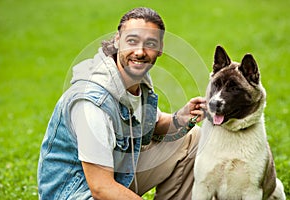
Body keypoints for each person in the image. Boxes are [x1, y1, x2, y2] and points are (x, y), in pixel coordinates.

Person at [37, 7, 206, 200]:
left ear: (160, 49)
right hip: (78, 194)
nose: (140, 52)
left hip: (115, 177)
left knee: (191, 139)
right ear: (118, 40)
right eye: (132, 41)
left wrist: (180, 118)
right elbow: (101, 188)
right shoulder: (93, 103)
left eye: (150, 43)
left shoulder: (134, 82)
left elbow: (154, 124)